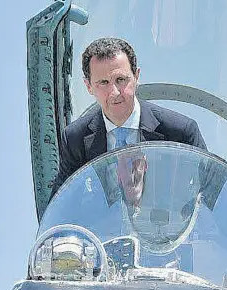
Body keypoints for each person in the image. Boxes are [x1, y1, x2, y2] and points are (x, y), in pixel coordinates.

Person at [50, 37, 207, 198]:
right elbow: (59, 208)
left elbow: (212, 196)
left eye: (121, 80)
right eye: (103, 82)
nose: (114, 92)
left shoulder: (181, 133)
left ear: (136, 76)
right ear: (89, 86)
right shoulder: (75, 139)